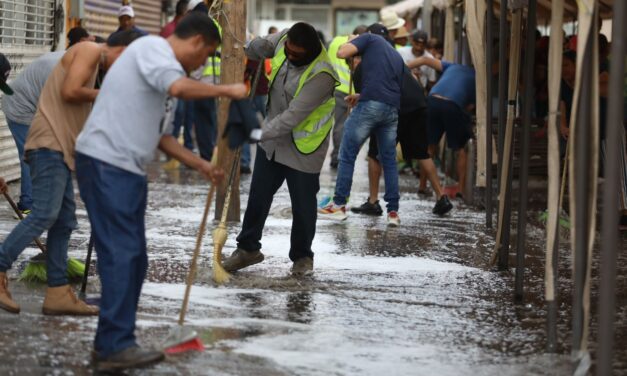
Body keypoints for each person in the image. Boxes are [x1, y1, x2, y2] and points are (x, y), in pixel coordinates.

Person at [74, 13, 245, 371]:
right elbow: (180, 88)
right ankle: (114, 346)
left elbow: (162, 137)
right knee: (121, 255)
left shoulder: (166, 74)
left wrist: (201, 165)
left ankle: (113, 342)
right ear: (198, 42)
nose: (202, 65)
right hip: (106, 163)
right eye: (207, 55)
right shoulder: (153, 49)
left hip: (128, 169)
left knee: (134, 259)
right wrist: (225, 90)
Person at [0, 31, 142, 316]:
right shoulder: (90, 49)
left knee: (64, 221)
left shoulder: (98, 72)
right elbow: (69, 91)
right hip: (48, 144)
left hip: (62, 148)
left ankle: (57, 292)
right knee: (44, 214)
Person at [221, 22, 337, 276]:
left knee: (303, 206)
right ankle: (248, 249)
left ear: (310, 50)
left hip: (303, 147)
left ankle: (302, 257)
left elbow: (292, 117)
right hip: (273, 143)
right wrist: (248, 48)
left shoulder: (322, 75)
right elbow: (262, 45)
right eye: (288, 50)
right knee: (258, 197)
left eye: (297, 54)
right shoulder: (285, 40)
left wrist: (255, 133)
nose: (290, 55)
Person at [349, 44, 453, 217]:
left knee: (375, 154)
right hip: (419, 105)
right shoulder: (392, 59)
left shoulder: (363, 68)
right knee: (422, 153)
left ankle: (373, 202)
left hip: (395, 109)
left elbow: (372, 103)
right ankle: (442, 197)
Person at [319, 23, 404, 226]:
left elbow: (342, 53)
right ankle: (393, 212)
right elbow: (390, 86)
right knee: (389, 161)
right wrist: (361, 95)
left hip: (370, 107)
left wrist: (352, 41)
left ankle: (338, 205)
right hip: (391, 109)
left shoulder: (369, 39)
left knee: (347, 154)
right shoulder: (394, 54)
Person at [2, 50, 64, 218]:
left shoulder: (69, 62)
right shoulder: (61, 71)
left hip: (32, 105)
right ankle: (27, 205)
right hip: (20, 109)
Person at [408, 56, 476, 197]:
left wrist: (400, 67)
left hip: (433, 100)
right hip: (453, 104)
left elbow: (425, 60)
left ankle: (422, 186)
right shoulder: (477, 78)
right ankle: (460, 190)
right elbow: (470, 107)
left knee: (430, 147)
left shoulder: (452, 66)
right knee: (460, 149)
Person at [326, 25, 367, 169]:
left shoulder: (335, 41)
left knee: (339, 125)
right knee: (351, 126)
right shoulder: (359, 45)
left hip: (338, 88)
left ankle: (337, 155)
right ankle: (341, 156)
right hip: (351, 90)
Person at [161, 0, 194, 151]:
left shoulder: (187, 30)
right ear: (184, 14)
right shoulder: (169, 30)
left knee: (188, 116)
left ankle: (187, 145)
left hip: (187, 79)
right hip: (174, 80)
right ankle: (171, 147)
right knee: (177, 114)